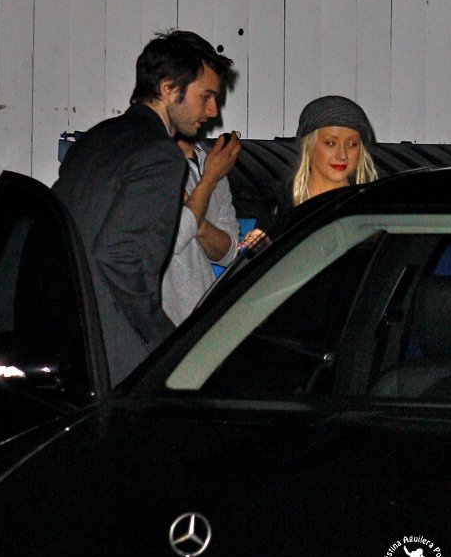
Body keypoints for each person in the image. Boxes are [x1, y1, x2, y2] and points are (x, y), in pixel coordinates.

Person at [52, 30, 237, 387]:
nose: (213, 111)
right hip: (122, 357)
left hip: (74, 345)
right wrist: (166, 342)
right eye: (206, 96)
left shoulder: (97, 138)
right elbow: (120, 258)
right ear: (168, 88)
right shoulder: (160, 155)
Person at [240, 95, 378, 249]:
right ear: (309, 146)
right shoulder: (278, 206)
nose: (342, 155)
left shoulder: (371, 209)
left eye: (352, 144)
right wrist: (263, 249)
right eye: (330, 143)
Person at [162, 135, 240, 326]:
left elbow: (229, 252)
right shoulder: (156, 163)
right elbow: (175, 238)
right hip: (165, 327)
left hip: (205, 321)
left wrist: (198, 222)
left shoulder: (211, 160)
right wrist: (210, 179)